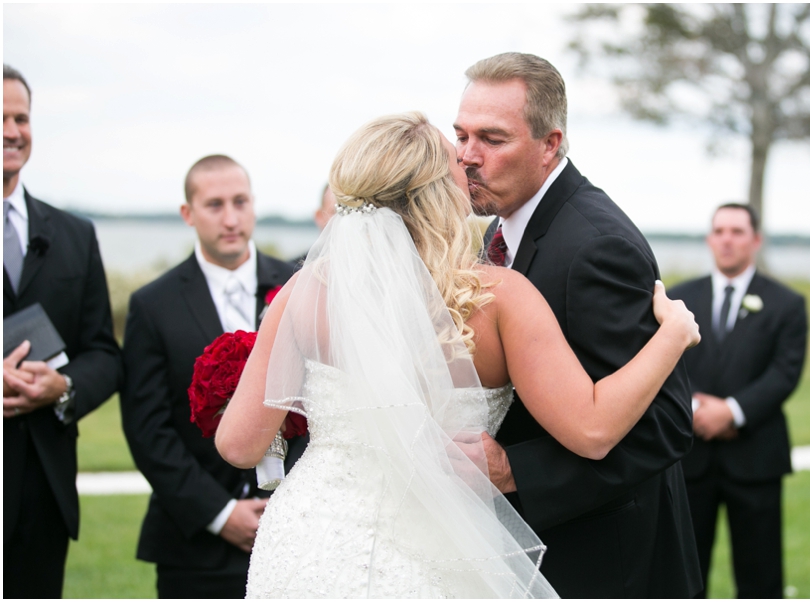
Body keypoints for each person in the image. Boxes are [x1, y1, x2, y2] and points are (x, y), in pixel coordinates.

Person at [215, 111, 700, 598]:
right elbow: (593, 430)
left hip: (309, 544)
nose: (467, 165)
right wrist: (672, 335)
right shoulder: (497, 298)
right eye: (455, 160)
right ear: (438, 194)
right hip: (432, 554)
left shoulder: (303, 293)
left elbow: (238, 446)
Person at [453, 52, 701, 597]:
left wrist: (515, 470)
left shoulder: (595, 246)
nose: (467, 157)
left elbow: (666, 424)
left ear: (550, 144)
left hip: (604, 558)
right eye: (461, 135)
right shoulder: (501, 224)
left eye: (491, 139)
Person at [120, 155, 303, 598]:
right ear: (188, 213)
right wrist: (220, 513)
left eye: (240, 202)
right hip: (194, 546)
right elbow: (148, 430)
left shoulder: (300, 285)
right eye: (215, 205)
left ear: (254, 205)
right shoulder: (152, 305)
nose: (231, 218)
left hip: (298, 527)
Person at [3, 64, 122, 598]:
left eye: (21, 117)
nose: (11, 130)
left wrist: (64, 387)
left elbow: (103, 352)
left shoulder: (75, 235)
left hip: (43, 488)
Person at [669, 203, 808, 598]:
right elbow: (665, 365)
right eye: (720, 231)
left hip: (756, 457)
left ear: (756, 240)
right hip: (690, 455)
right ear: (710, 238)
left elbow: (785, 372)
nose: (727, 239)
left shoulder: (786, 303)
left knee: (760, 574)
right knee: (685, 570)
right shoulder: (679, 299)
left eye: (737, 231)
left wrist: (732, 411)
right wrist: (696, 409)